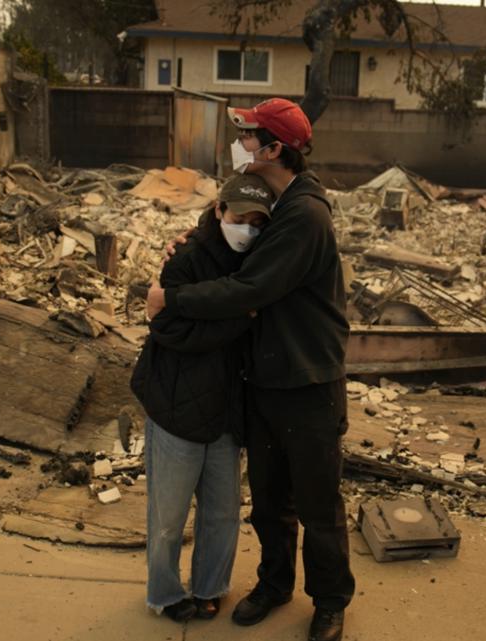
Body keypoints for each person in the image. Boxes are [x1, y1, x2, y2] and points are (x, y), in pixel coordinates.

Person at [147, 98, 353, 641]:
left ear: (274, 149)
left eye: (248, 135)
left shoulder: (305, 214)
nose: (239, 143)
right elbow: (226, 225)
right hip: (264, 381)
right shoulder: (275, 204)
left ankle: (330, 602)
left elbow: (250, 288)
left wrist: (172, 298)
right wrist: (191, 240)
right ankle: (274, 583)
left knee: (317, 505)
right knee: (269, 502)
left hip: (308, 383)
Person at [130, 174, 274, 623]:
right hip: (178, 404)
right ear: (218, 211)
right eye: (238, 218)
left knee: (222, 513)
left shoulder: (258, 264)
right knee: (168, 516)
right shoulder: (187, 257)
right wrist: (241, 316)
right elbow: (169, 328)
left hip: (227, 410)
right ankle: (166, 594)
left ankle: (210, 586)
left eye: (256, 222)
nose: (246, 229)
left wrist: (233, 313)